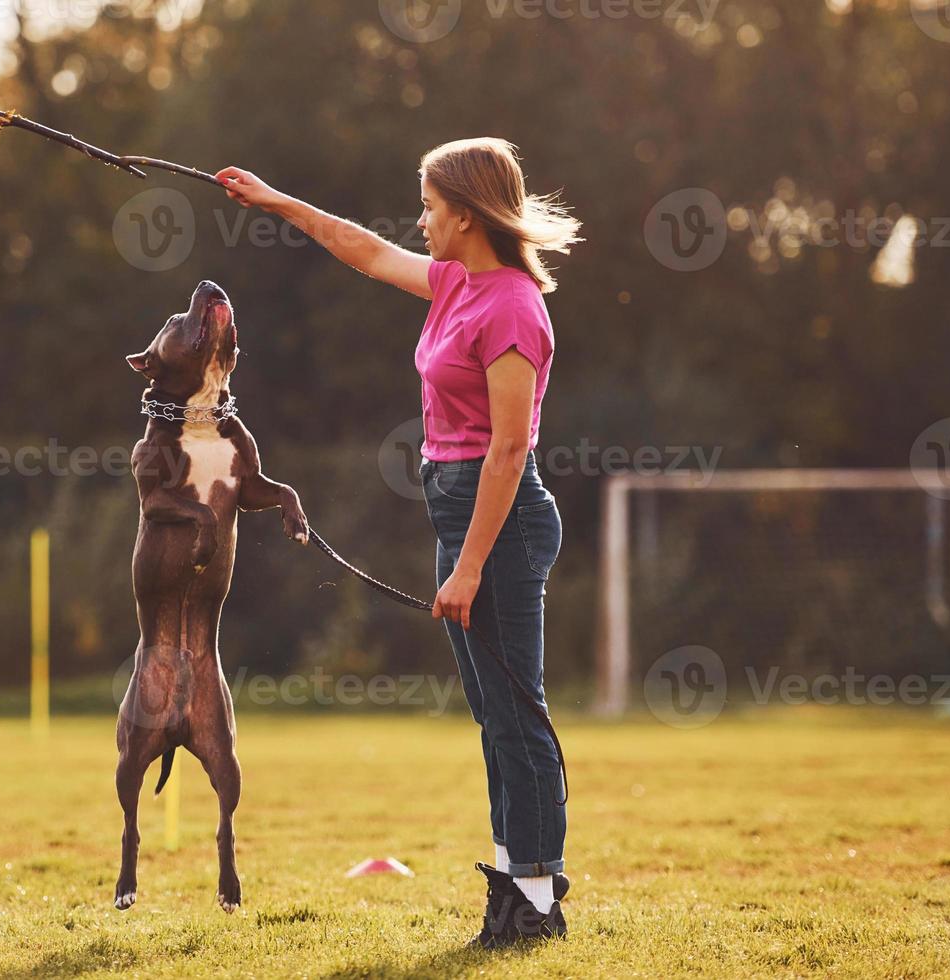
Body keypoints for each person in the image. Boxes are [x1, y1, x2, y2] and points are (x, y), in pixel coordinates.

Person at [214, 138, 581, 947]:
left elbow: (510, 450)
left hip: (504, 522)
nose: (418, 220)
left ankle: (535, 900)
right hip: (464, 516)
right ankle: (519, 883)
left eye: (428, 205)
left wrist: (475, 563)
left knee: (517, 715)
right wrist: (276, 199)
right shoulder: (456, 282)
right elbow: (365, 249)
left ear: (466, 213)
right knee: (495, 713)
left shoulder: (513, 305)